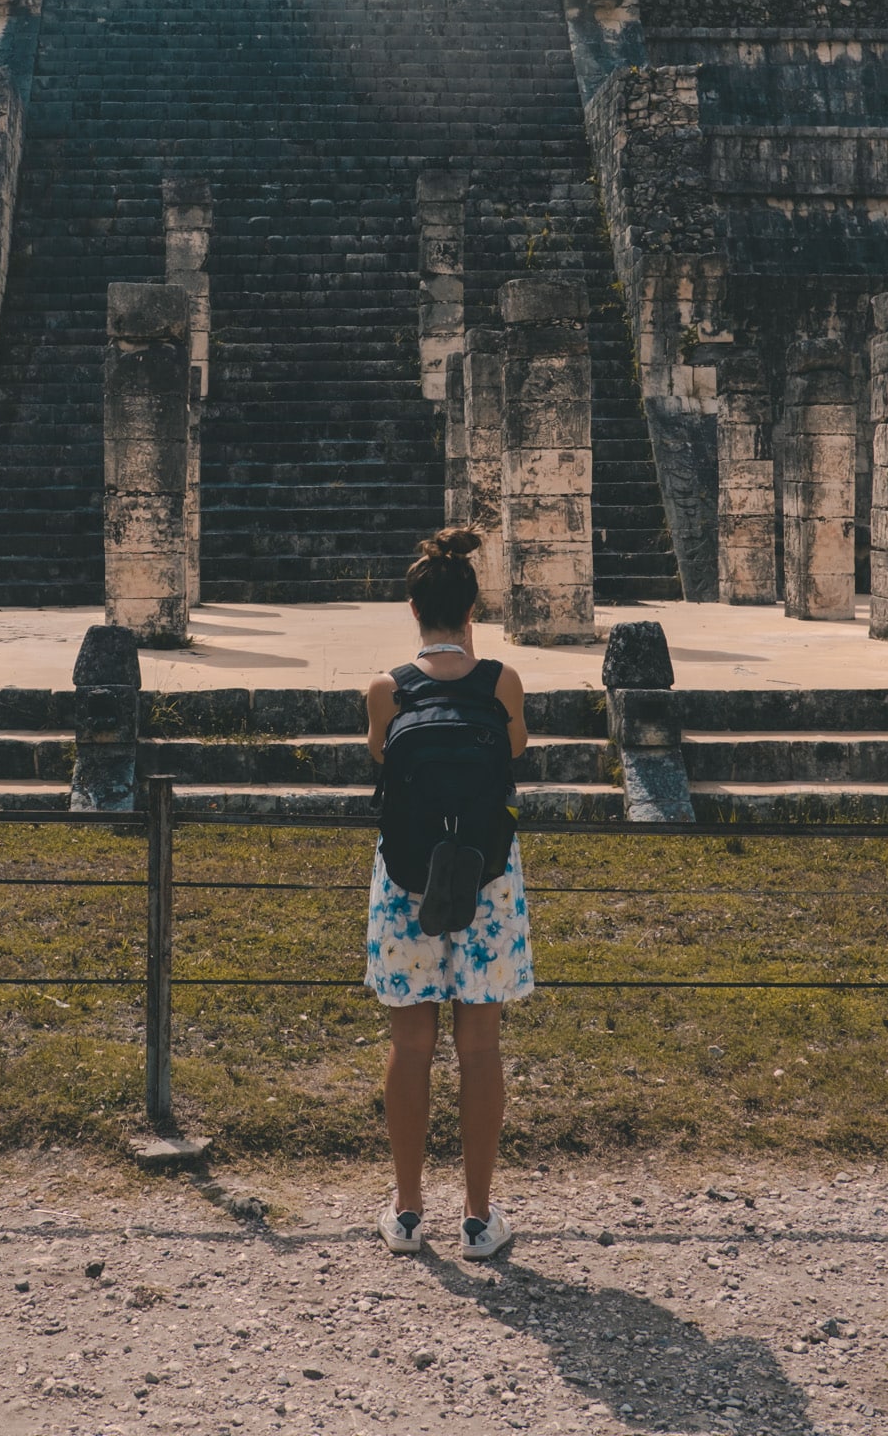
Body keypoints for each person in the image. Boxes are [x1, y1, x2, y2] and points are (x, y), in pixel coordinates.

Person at [364, 526, 534, 1260]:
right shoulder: (500, 681)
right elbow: (516, 749)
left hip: (405, 877)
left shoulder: (387, 688)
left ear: (412, 610)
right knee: (481, 1048)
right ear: (474, 608)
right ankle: (476, 1214)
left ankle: (406, 1213)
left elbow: (380, 754)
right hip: (485, 874)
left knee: (409, 1043)